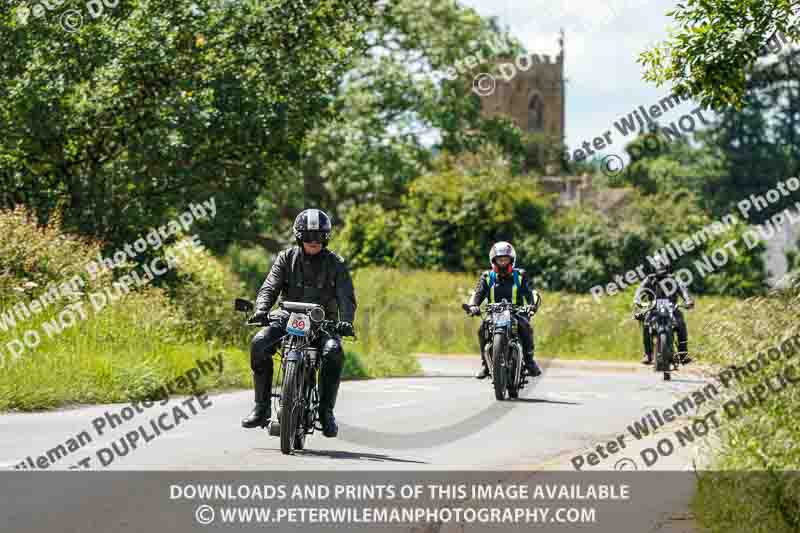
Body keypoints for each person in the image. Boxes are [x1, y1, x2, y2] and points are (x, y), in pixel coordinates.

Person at [242, 208, 356, 437]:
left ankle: (326, 412)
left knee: (334, 352)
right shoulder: (286, 258)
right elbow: (269, 287)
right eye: (308, 237)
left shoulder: (336, 264)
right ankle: (261, 408)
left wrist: (346, 322)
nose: (314, 242)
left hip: (323, 321)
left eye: (319, 237)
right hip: (287, 317)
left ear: (326, 237)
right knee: (259, 342)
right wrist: (262, 310)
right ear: (298, 236)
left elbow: (346, 297)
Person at [466, 241, 542, 379]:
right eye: (499, 259)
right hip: (493, 313)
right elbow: (478, 294)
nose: (502, 262)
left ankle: (530, 362)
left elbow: (530, 293)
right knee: (482, 329)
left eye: (505, 259)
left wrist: (531, 305)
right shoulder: (487, 277)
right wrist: (473, 306)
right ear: (493, 260)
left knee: (525, 327)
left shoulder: (520, 275)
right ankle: (486, 364)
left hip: (517, 312)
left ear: (511, 260)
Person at [633, 258, 694, 365]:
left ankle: (683, 354)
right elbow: (640, 290)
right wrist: (637, 299)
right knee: (646, 322)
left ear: (667, 266)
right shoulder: (649, 279)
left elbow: (683, 290)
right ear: (653, 267)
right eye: (658, 266)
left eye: (662, 266)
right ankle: (648, 354)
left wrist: (688, 300)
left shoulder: (674, 279)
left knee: (680, 322)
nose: (660, 268)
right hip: (653, 308)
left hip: (672, 308)